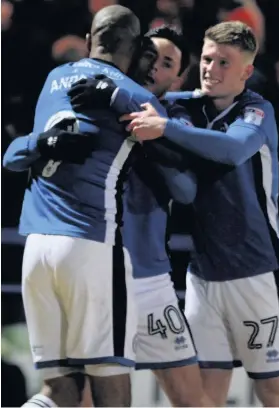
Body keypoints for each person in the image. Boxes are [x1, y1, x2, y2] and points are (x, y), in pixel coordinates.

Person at [4, 25, 213, 408]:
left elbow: (186, 190)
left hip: (145, 279)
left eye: (166, 63)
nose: (153, 67)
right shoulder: (89, 93)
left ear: (179, 76)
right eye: (148, 54)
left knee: (187, 398)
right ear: (131, 52)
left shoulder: (171, 116)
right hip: (93, 258)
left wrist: (144, 135)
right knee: (87, 393)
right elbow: (17, 151)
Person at [121, 21, 279, 407]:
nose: (212, 69)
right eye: (207, 59)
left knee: (275, 394)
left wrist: (165, 127)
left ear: (246, 72)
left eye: (224, 62)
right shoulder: (183, 106)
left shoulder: (257, 110)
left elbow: (229, 151)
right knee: (204, 395)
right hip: (203, 276)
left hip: (257, 274)